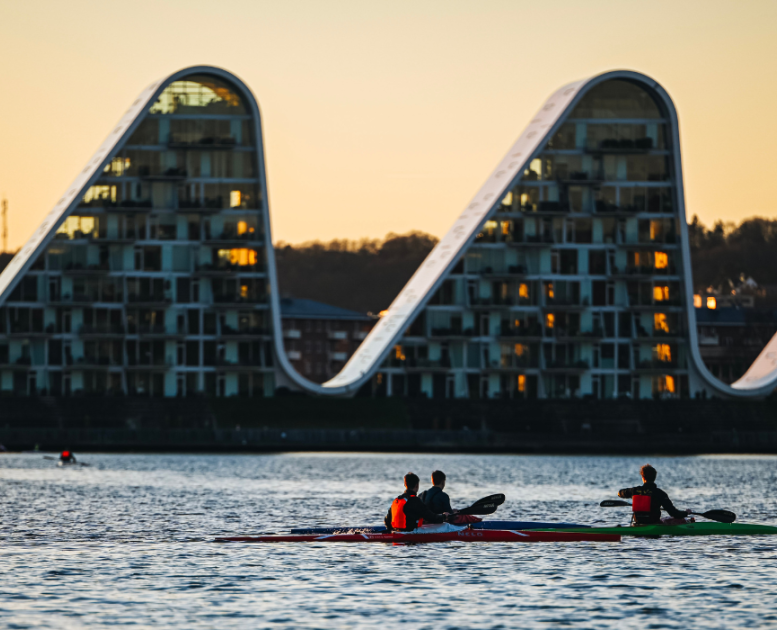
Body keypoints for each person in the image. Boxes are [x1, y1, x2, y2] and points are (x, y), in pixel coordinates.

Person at [618, 464, 692, 525]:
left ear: (643, 478)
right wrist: (686, 513)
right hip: (654, 524)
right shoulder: (660, 493)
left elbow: (620, 493)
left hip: (637, 524)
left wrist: (626, 494)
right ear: (654, 478)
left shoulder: (634, 491)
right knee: (680, 520)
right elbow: (674, 513)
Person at [385, 472, 449, 532]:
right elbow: (430, 517)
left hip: (396, 531)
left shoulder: (397, 500)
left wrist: (391, 531)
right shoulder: (414, 500)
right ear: (417, 485)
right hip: (410, 533)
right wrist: (443, 516)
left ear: (405, 484)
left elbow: (387, 521)